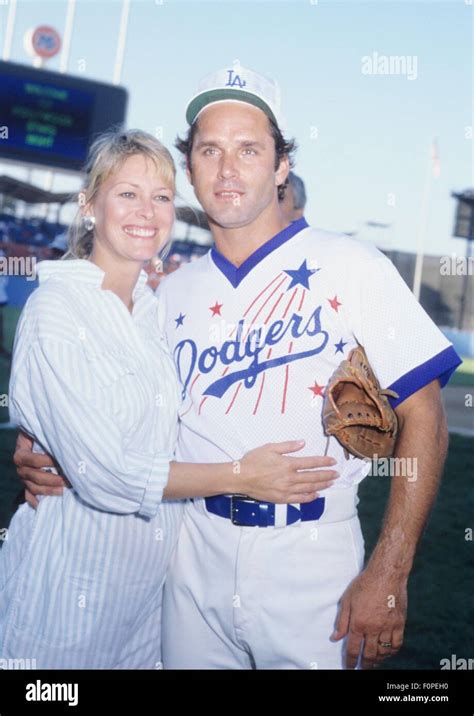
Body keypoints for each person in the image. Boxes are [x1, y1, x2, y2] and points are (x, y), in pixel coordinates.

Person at [15, 65, 462, 670]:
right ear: (191, 168)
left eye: (248, 149)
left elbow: (425, 414)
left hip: (312, 553)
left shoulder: (351, 264)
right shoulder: (163, 295)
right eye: (210, 151)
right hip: (187, 556)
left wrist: (391, 567)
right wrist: (48, 446)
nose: (227, 169)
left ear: (281, 167)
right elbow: (116, 409)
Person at [2, 129, 337, 669]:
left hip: (149, 606)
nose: (148, 211)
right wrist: (241, 476)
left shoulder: (156, 311)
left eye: (160, 196)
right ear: (89, 205)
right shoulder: (56, 311)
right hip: (65, 596)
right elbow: (109, 473)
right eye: (127, 193)